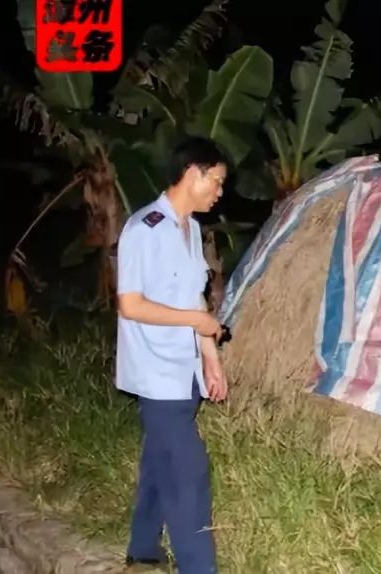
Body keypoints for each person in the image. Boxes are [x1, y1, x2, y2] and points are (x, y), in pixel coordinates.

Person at [116, 137, 230, 573]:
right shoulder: (144, 228)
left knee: (159, 461)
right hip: (155, 372)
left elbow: (194, 298)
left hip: (186, 372)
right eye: (216, 181)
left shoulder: (192, 228)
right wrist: (195, 322)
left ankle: (143, 548)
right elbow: (131, 304)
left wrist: (211, 358)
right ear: (193, 173)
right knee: (189, 475)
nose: (219, 192)